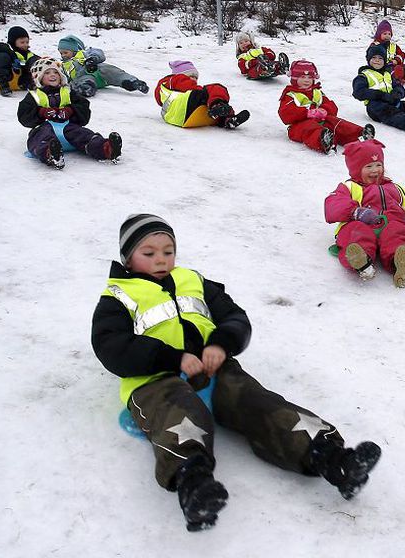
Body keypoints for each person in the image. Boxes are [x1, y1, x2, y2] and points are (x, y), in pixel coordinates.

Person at [91, 214, 381, 531]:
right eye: (149, 253)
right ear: (128, 258)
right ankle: (194, 486)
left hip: (214, 369)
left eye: (168, 250)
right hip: (156, 380)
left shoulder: (194, 280)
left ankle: (333, 458)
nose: (161, 259)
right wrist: (171, 359)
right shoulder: (119, 296)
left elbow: (234, 317)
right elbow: (111, 346)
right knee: (177, 417)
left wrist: (221, 343)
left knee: (258, 402)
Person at [324, 139, 405, 287]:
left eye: (378, 165)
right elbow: (332, 204)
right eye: (369, 166)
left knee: (398, 231)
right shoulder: (349, 187)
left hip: (390, 224)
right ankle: (360, 259)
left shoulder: (395, 188)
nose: (375, 170)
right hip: (361, 223)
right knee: (356, 232)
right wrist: (355, 212)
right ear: (356, 169)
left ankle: (400, 261)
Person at [17, 57, 122, 169]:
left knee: (83, 135)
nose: (53, 75)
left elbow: (83, 107)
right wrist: (40, 112)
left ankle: (106, 148)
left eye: (56, 72)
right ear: (39, 77)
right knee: (40, 138)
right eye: (47, 73)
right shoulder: (34, 95)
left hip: (67, 126)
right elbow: (24, 115)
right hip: (44, 127)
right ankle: (51, 153)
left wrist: (71, 110)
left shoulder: (68, 91)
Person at [279, 59, 375, 153]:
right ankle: (324, 142)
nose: (307, 80)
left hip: (322, 121)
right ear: (294, 78)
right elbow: (285, 114)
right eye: (303, 77)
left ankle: (360, 135)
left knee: (336, 123)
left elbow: (332, 107)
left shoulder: (317, 91)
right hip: (299, 125)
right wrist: (307, 113)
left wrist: (325, 110)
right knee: (310, 128)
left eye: (310, 77)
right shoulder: (290, 94)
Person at [154, 60, 249, 129]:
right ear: (180, 74)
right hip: (186, 107)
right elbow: (192, 88)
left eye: (196, 78)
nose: (194, 80)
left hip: (175, 118)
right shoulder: (174, 79)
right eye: (191, 76)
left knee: (214, 107)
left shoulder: (165, 89)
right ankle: (221, 108)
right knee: (215, 88)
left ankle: (228, 120)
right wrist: (206, 92)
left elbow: (159, 101)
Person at [57, 35, 149, 97]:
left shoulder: (85, 53)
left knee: (113, 71)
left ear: (75, 49)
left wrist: (93, 59)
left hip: (99, 70)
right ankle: (86, 89)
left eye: (66, 52)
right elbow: (63, 76)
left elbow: (98, 53)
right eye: (61, 53)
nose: (63, 55)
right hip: (84, 76)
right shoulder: (63, 65)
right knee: (85, 80)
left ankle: (133, 82)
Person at [0, 25, 40, 96]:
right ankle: (3, 86)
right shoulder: (8, 50)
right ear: (13, 42)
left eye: (27, 42)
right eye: (22, 42)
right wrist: (14, 57)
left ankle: (31, 83)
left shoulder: (29, 54)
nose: (25, 45)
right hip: (9, 77)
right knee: (2, 57)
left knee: (36, 60)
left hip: (23, 80)